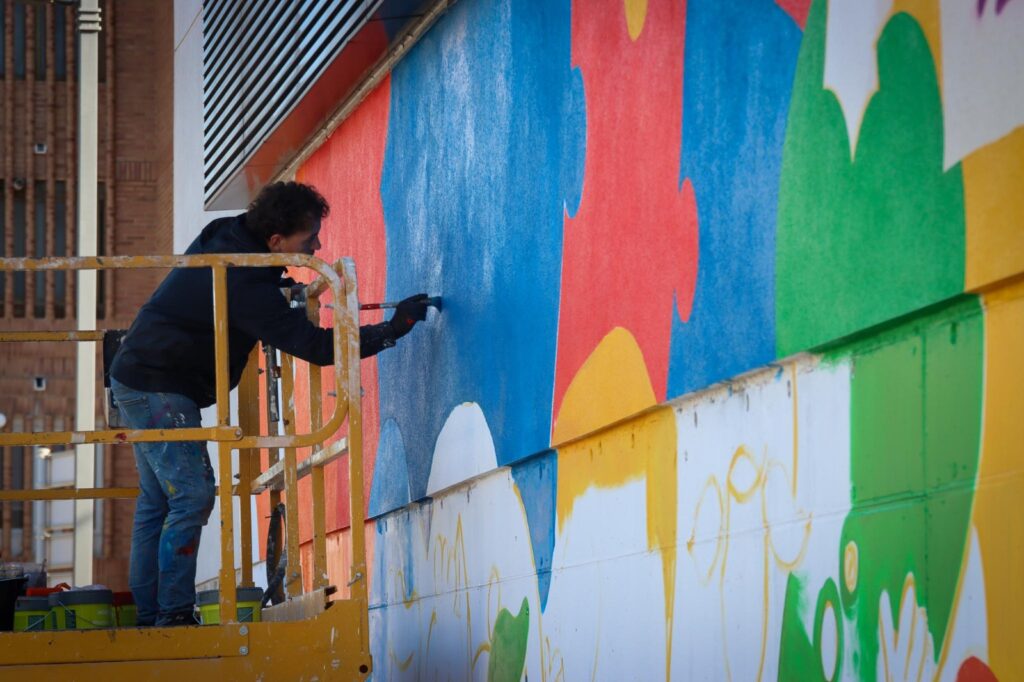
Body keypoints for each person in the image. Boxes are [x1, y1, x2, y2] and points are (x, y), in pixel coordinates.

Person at [109, 181, 428, 626]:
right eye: (309, 239)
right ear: (276, 241)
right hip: (157, 383)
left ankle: (152, 615)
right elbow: (315, 346)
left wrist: (279, 283)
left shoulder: (230, 235)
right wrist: (392, 329)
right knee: (192, 496)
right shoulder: (242, 278)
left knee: (159, 501)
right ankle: (172, 618)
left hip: (140, 374)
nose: (317, 246)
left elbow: (252, 295)